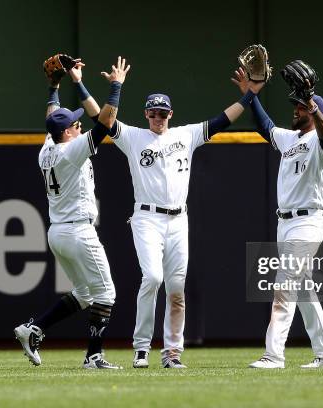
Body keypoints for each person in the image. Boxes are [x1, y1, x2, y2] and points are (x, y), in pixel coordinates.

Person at [108, 77, 262, 369]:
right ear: (145, 114)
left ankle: (172, 353)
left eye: (162, 113)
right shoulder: (132, 136)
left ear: (171, 114)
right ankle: (141, 348)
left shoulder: (185, 134)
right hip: (147, 218)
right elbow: (103, 119)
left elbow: (221, 121)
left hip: (179, 219)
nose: (157, 118)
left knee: (176, 288)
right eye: (153, 113)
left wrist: (249, 95)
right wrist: (114, 87)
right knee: (152, 277)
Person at [14, 56, 130, 370]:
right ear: (67, 133)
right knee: (106, 292)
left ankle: (33, 328)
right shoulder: (70, 150)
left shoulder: (48, 147)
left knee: (83, 292)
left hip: (58, 232)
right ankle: (94, 356)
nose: (80, 126)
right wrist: (116, 87)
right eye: (76, 124)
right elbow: (105, 123)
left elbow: (53, 115)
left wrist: (55, 84)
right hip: (78, 231)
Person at [232, 64, 323, 369]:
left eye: (300, 106)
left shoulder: (321, 142)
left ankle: (273, 355)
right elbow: (264, 126)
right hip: (286, 222)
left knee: (285, 283)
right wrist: (250, 95)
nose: (294, 109)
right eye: (294, 105)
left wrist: (314, 108)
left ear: (313, 110)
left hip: (307, 222)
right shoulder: (290, 139)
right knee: (304, 288)